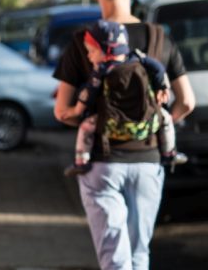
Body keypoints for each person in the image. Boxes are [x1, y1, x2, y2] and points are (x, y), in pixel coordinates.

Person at [54, 0, 196, 270]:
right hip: (151, 161)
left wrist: (88, 115)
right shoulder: (158, 37)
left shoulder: (85, 41)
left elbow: (62, 111)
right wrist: (154, 125)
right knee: (137, 253)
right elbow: (187, 102)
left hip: (103, 164)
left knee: (114, 260)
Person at [65, 20, 178, 175]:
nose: (89, 56)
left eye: (92, 51)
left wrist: (77, 110)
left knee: (86, 126)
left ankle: (81, 162)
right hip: (145, 120)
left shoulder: (101, 70)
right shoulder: (138, 58)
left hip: (110, 123)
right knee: (166, 119)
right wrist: (162, 87)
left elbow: (88, 94)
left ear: (106, 50)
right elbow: (158, 68)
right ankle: (169, 153)